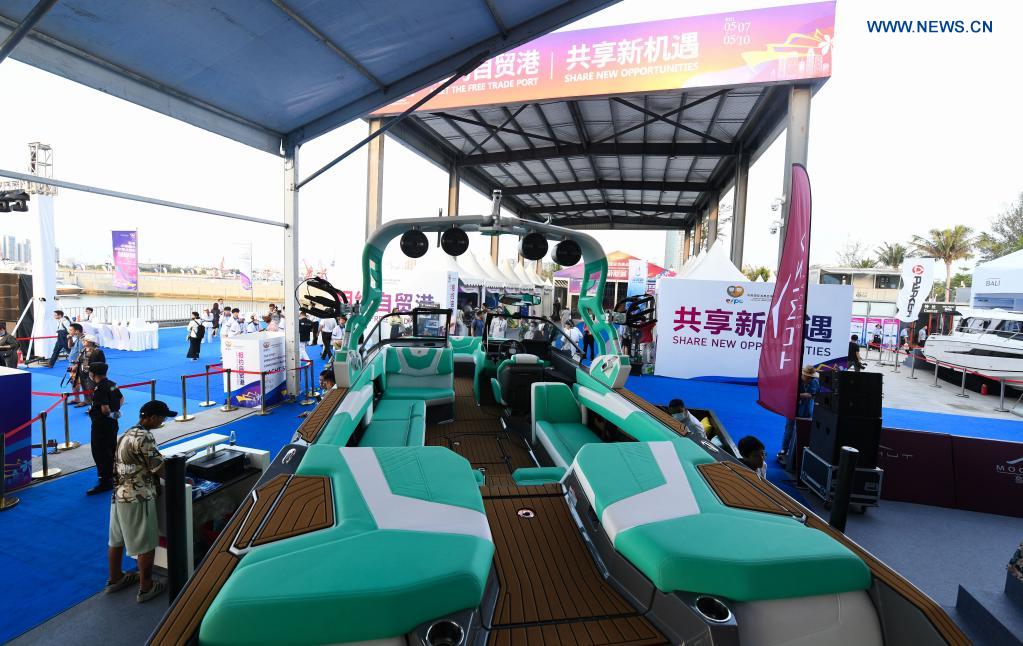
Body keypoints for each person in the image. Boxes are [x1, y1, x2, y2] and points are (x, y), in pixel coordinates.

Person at [105, 399, 176, 604]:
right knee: (146, 543)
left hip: (119, 494)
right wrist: (181, 478)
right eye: (162, 418)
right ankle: (146, 587)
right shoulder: (145, 437)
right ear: (152, 418)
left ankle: (115, 578)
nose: (162, 422)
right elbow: (158, 467)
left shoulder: (127, 433)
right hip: (139, 496)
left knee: (116, 539)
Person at [86, 362, 124, 495]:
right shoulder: (112, 384)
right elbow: (121, 398)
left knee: (100, 452)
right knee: (111, 448)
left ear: (93, 374)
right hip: (113, 424)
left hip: (101, 425)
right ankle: (114, 475)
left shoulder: (100, 388)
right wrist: (116, 413)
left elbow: (105, 409)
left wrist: (110, 413)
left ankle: (105, 481)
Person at [778, 365, 820, 465]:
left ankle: (801, 451)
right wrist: (803, 395)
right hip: (792, 406)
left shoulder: (814, 380)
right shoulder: (794, 380)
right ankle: (784, 450)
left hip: (807, 408)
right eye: (808, 377)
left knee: (805, 429)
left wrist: (797, 395)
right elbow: (788, 393)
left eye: (811, 377)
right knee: (789, 428)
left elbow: (812, 395)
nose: (810, 379)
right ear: (803, 374)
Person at [80, 334, 106, 404]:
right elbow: (80, 361)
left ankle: (94, 405)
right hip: (83, 372)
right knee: (84, 387)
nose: (83, 341)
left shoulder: (98, 351)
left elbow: (102, 364)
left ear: (90, 342)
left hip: (93, 374)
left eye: (85, 340)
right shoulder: (83, 350)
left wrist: (93, 369)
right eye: (83, 340)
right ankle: (86, 400)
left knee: (93, 389)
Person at [67, 323, 85, 405]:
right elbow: (70, 346)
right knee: (73, 381)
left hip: (77, 364)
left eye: (71, 330)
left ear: (77, 331)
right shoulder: (77, 338)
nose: (69, 331)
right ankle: (76, 398)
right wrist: (70, 338)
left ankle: (86, 400)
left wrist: (76, 365)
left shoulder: (82, 340)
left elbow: (83, 355)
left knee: (78, 382)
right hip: (72, 363)